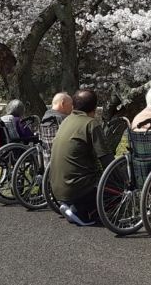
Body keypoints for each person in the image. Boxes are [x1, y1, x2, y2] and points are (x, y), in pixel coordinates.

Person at [48, 89, 114, 226]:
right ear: (95, 108)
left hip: (55, 188)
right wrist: (124, 180)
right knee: (118, 192)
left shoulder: (66, 121)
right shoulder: (91, 124)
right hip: (77, 189)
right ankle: (82, 212)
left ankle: (72, 206)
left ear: (73, 105)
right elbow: (107, 160)